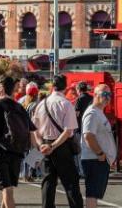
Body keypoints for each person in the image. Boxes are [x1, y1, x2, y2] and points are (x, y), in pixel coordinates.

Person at [0, 76, 38, 208]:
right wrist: (36, 153)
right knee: (8, 189)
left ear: (1, 89)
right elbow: (31, 131)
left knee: (6, 189)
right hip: (17, 151)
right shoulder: (19, 107)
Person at [32, 74, 83, 208]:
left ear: (52, 86)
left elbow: (34, 129)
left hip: (45, 144)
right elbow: (68, 131)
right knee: (70, 182)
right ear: (65, 87)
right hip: (61, 146)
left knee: (48, 181)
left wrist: (41, 144)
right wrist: (53, 146)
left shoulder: (41, 104)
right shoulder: (66, 104)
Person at [80, 84, 116, 208]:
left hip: (98, 160)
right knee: (92, 194)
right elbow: (88, 135)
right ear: (95, 95)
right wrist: (100, 153)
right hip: (94, 159)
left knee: (94, 194)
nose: (107, 97)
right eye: (104, 94)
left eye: (109, 95)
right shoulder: (92, 113)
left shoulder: (99, 112)